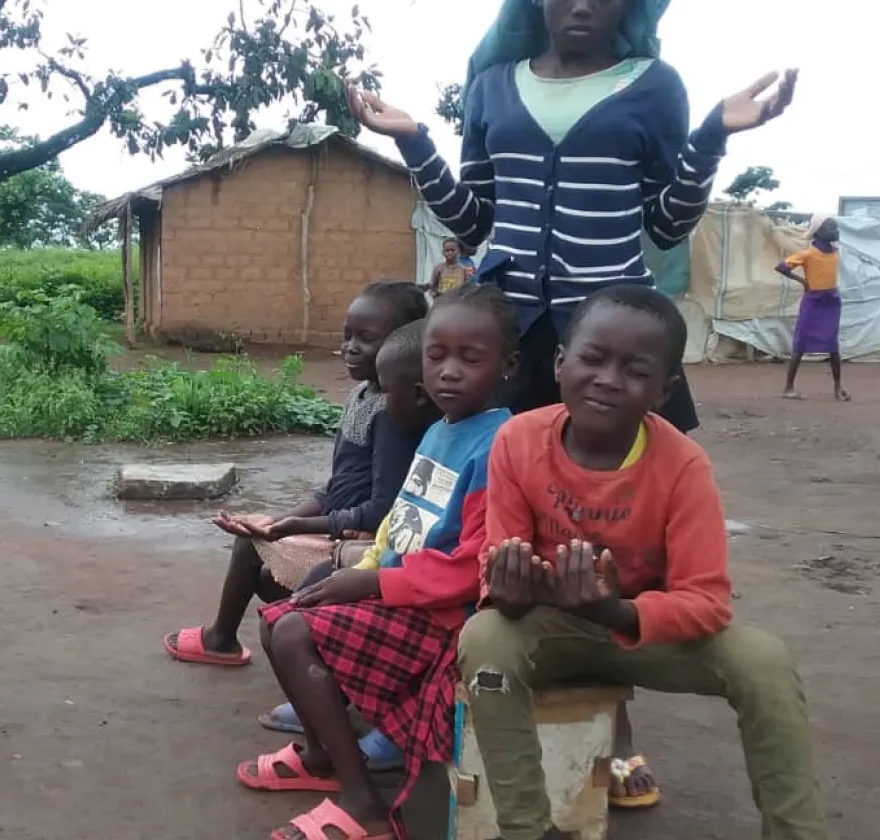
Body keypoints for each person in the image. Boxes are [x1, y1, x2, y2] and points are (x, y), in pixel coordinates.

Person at [345, 0, 800, 801]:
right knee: (483, 528)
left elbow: (665, 219)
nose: (583, 2)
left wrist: (713, 135)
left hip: (609, 341)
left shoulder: (654, 85)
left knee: (616, 534)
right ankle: (412, 693)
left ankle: (612, 726)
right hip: (512, 332)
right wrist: (414, 140)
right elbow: (474, 214)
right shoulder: (492, 85)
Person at [459, 285, 825, 840]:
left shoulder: (683, 464)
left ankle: (797, 830)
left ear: (664, 390)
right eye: (592, 357)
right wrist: (506, 588)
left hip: (643, 633)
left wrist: (615, 611)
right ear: (560, 363)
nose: (608, 378)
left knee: (764, 661)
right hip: (551, 627)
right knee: (485, 640)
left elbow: (706, 600)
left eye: (635, 370)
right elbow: (500, 564)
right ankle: (526, 828)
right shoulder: (516, 441)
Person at [239, 284, 518, 840]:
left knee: (295, 634)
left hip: (445, 616)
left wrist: (372, 583)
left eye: (471, 358)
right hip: (399, 590)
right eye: (437, 356)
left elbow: (475, 566)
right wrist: (364, 568)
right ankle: (322, 758)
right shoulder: (440, 431)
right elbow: (401, 521)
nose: (449, 372)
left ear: (508, 366)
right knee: (282, 621)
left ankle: (364, 802)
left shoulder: (499, 447)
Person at [164, 282, 429, 666]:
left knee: (250, 551)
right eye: (347, 335)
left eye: (366, 339)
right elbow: (338, 485)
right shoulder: (362, 396)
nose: (350, 347)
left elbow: (382, 509)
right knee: (259, 557)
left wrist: (291, 528)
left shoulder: (392, 413)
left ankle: (222, 639)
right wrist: (284, 519)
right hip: (339, 526)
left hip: (362, 542)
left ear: (402, 344)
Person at [778, 216, 848, 401]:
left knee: (833, 346)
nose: (836, 230)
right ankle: (788, 388)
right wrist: (803, 282)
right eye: (831, 227)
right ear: (818, 231)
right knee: (800, 345)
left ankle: (838, 388)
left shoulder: (835, 252)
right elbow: (782, 267)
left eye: (836, 227)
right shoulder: (808, 254)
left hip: (831, 301)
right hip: (814, 301)